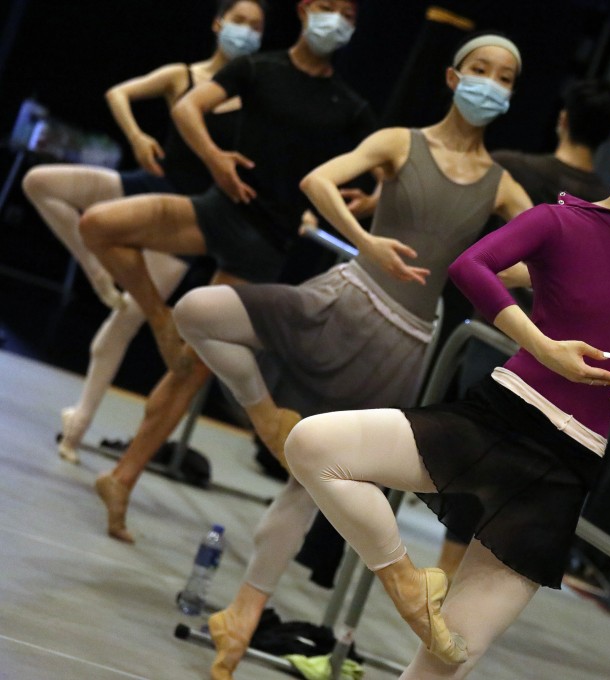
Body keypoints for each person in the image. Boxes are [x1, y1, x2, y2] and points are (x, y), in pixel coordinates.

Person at [284, 73, 610, 675]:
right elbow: (472, 266)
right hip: (496, 416)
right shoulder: (561, 221)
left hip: (565, 466)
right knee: (312, 444)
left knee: (450, 658)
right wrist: (540, 345)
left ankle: (421, 599)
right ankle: (409, 583)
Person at [171, 34, 531, 680]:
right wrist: (368, 239)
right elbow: (319, 180)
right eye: (480, 70)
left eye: (504, 77)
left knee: (307, 487)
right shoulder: (400, 141)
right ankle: (266, 415)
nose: (490, 83)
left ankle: (243, 616)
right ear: (453, 76)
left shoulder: (503, 186)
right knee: (197, 311)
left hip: (403, 344)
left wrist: (502, 276)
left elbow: (537, 263)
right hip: (345, 297)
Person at [79, 0, 376, 544]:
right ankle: (159, 317)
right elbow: (189, 109)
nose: (336, 20)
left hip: (265, 241)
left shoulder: (349, 104)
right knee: (98, 224)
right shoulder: (259, 67)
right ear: (306, 9)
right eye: (327, 7)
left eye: (348, 15)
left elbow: (380, 166)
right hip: (217, 207)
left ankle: (122, 478)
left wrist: (364, 196)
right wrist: (216, 159)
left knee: (191, 368)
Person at [20, 0, 266, 462]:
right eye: (239, 21)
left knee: (126, 319)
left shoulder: (256, 94)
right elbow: (118, 94)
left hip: (186, 217)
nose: (247, 32)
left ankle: (78, 425)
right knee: (39, 183)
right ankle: (95, 269)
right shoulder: (182, 75)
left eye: (256, 26)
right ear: (217, 23)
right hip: (148, 185)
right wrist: (136, 136)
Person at [437, 76, 610, 576]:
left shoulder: (514, 168)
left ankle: (446, 579)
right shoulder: (609, 203)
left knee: (474, 455)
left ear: (562, 119)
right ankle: (470, 580)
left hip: (495, 330)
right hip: (564, 350)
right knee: (517, 468)